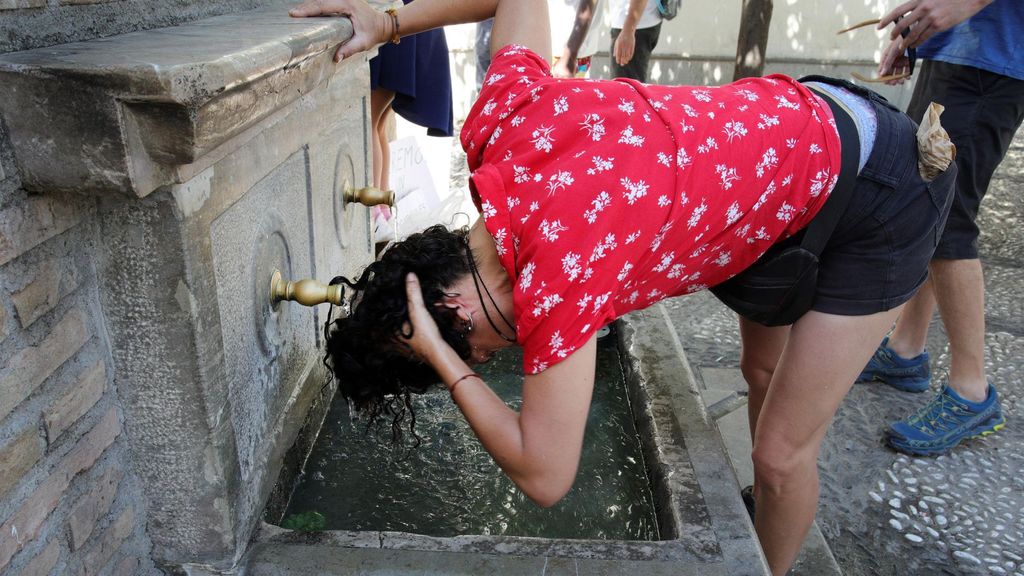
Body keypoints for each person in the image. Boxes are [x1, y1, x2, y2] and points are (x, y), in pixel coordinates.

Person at [288, 0, 954, 573]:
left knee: (781, 455)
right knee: (762, 369)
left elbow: (546, 475)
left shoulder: (559, 278)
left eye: (476, 355)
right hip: (792, 150)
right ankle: (763, 515)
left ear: (452, 309)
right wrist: (388, 20)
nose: (492, 360)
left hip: (879, 192)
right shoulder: (504, 123)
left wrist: (439, 356)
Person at [858, 0, 1022, 455]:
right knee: (926, 209)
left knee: (948, 220)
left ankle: (972, 392)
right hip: (957, 49)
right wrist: (912, 35)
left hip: (990, 58)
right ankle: (906, 351)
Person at [368, 0, 454, 237]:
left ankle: (374, 211)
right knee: (377, 125)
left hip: (396, 28)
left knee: (369, 123)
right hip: (406, 28)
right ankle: (382, 208)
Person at [610, 0, 662, 81]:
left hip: (632, 26)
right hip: (636, 24)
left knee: (625, 88)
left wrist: (628, 30)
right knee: (627, 86)